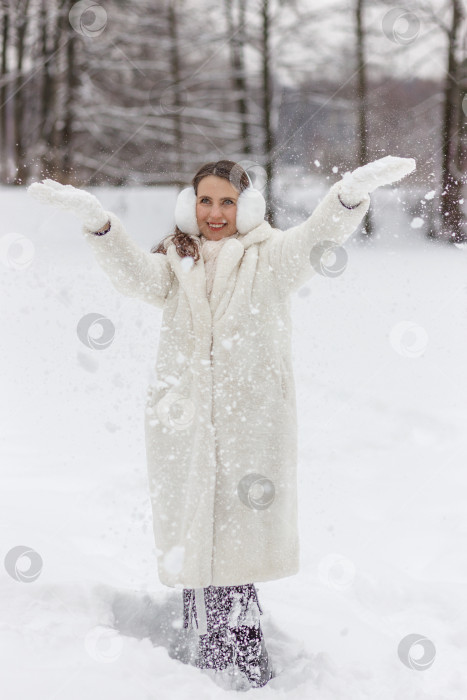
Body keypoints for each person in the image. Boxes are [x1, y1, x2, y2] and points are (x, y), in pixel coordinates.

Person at [28, 155, 415, 689]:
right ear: (189, 206)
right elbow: (132, 276)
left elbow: (314, 237)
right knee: (196, 548)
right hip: (183, 424)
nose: (215, 213)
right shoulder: (175, 263)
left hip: (247, 429)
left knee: (232, 550)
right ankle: (203, 659)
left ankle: (242, 667)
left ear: (247, 206)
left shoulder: (271, 259)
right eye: (205, 201)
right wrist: (98, 221)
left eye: (226, 202)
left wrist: (348, 195)